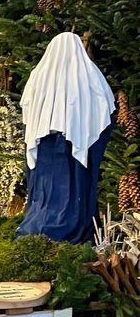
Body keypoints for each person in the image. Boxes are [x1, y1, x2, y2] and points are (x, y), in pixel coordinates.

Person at [18, 31, 115, 243]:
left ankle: (40, 223)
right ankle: (73, 226)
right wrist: (81, 131)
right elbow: (105, 107)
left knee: (46, 188)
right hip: (76, 146)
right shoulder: (89, 73)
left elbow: (27, 106)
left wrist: (42, 124)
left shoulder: (39, 74)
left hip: (45, 145)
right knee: (73, 187)